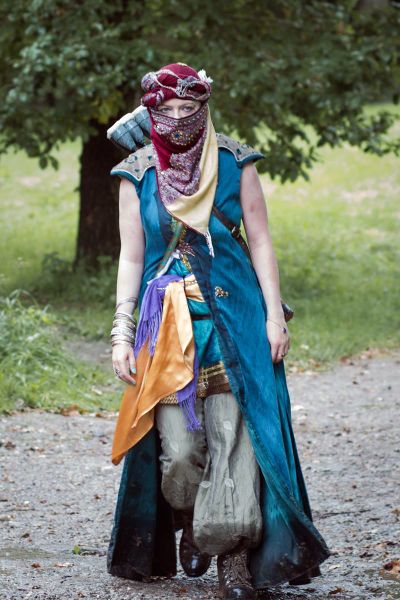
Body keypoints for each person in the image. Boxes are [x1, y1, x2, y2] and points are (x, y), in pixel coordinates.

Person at [106, 62, 331, 599]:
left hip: (235, 322)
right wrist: (121, 332)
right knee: (180, 455)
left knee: (235, 441)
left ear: (203, 108)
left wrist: (273, 315)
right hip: (166, 333)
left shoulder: (234, 162)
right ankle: (190, 521)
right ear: (151, 113)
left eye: (189, 109)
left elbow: (261, 240)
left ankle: (232, 557)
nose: (178, 118)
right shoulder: (136, 174)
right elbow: (132, 257)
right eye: (167, 110)